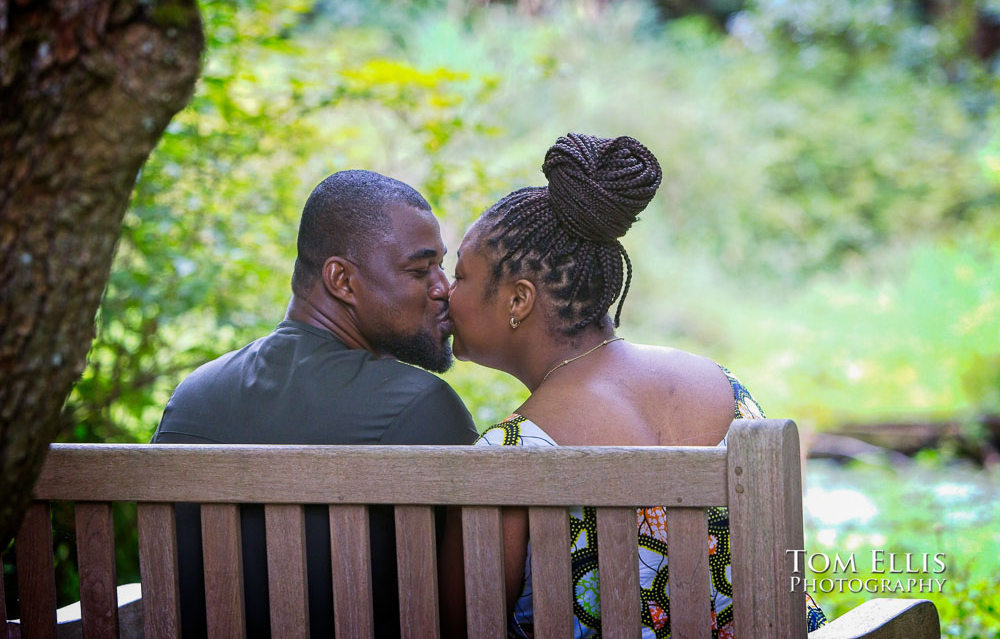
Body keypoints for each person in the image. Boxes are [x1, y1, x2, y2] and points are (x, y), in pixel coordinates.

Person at [439, 134, 827, 637]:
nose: (446, 294)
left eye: (461, 276)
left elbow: (453, 626)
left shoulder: (509, 454)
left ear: (519, 300)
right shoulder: (722, 385)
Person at [152, 170, 479, 638]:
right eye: (419, 270)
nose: (443, 288)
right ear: (341, 280)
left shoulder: (192, 396)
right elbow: (468, 609)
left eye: (442, 267)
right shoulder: (419, 407)